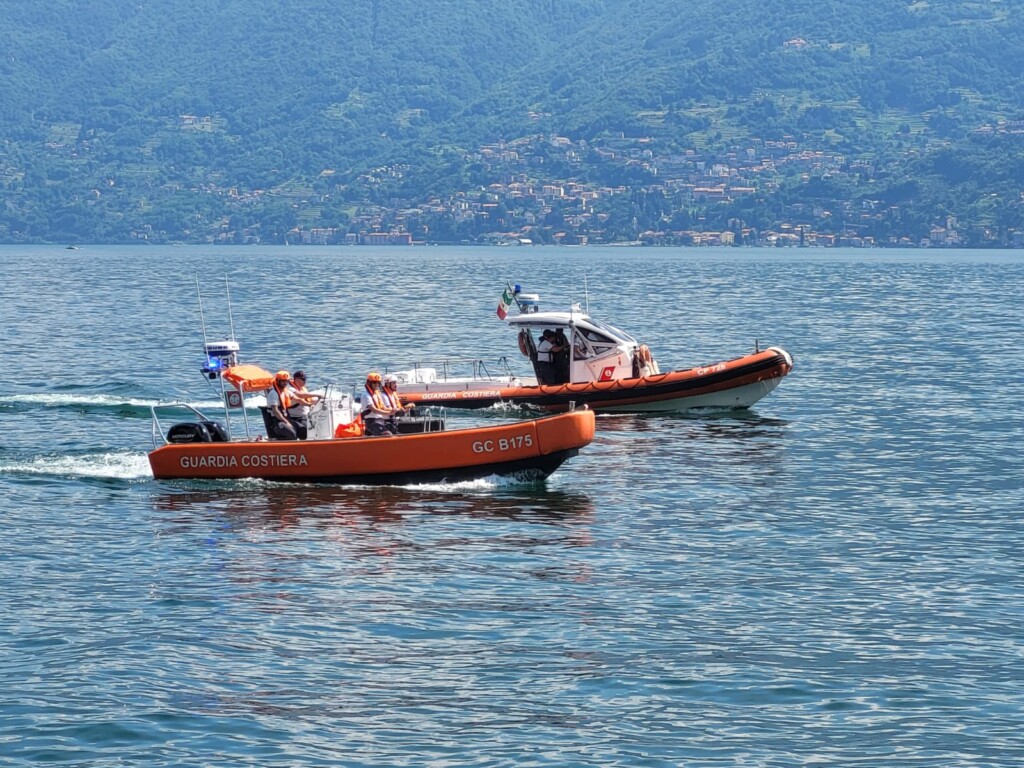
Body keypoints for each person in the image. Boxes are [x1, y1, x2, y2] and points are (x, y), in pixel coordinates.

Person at [285, 370, 321, 440]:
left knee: (320, 425)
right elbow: (300, 395)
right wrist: (317, 394)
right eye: (303, 379)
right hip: (297, 417)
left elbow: (310, 400)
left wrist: (321, 399)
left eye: (305, 379)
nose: (305, 381)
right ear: (296, 380)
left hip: (307, 416)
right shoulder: (290, 389)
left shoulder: (303, 389)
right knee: (308, 429)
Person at [360, 371, 396, 436]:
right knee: (387, 435)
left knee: (392, 429)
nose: (376, 385)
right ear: (369, 383)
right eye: (374, 382)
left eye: (378, 383)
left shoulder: (377, 394)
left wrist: (394, 410)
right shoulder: (366, 395)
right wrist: (389, 413)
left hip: (380, 420)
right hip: (371, 421)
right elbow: (374, 410)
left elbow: (383, 407)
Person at [266, 370, 299, 440]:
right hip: (277, 422)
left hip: (286, 418)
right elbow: (275, 411)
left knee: (302, 429)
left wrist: (309, 403)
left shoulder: (285, 392)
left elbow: (298, 399)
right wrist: (286, 422)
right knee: (292, 433)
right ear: (277, 381)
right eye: (283, 381)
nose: (285, 383)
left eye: (286, 381)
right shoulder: (273, 393)